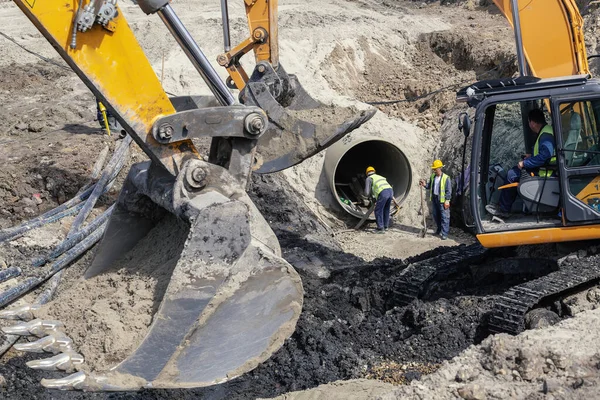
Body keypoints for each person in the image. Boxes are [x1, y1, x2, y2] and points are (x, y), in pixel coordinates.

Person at [486, 108, 556, 218]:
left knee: (511, 175)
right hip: (543, 169)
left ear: (532, 123)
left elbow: (545, 155)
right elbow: (545, 153)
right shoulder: (546, 131)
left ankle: (504, 210)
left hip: (544, 173)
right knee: (513, 172)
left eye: (528, 122)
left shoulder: (546, 134)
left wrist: (525, 163)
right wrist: (531, 156)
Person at [419, 159, 451, 240]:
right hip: (435, 199)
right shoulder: (433, 176)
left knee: (444, 217)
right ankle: (439, 230)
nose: (434, 171)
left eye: (435, 169)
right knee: (436, 216)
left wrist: (447, 201)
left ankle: (444, 233)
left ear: (440, 168)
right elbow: (429, 186)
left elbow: (448, 190)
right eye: (433, 169)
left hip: (442, 201)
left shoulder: (446, 178)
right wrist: (424, 184)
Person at [364, 166, 394, 233]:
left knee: (378, 210)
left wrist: (368, 197)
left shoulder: (369, 178)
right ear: (374, 171)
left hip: (383, 193)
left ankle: (380, 228)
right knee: (386, 209)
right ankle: (386, 226)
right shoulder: (379, 176)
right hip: (390, 191)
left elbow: (366, 192)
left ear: (367, 173)